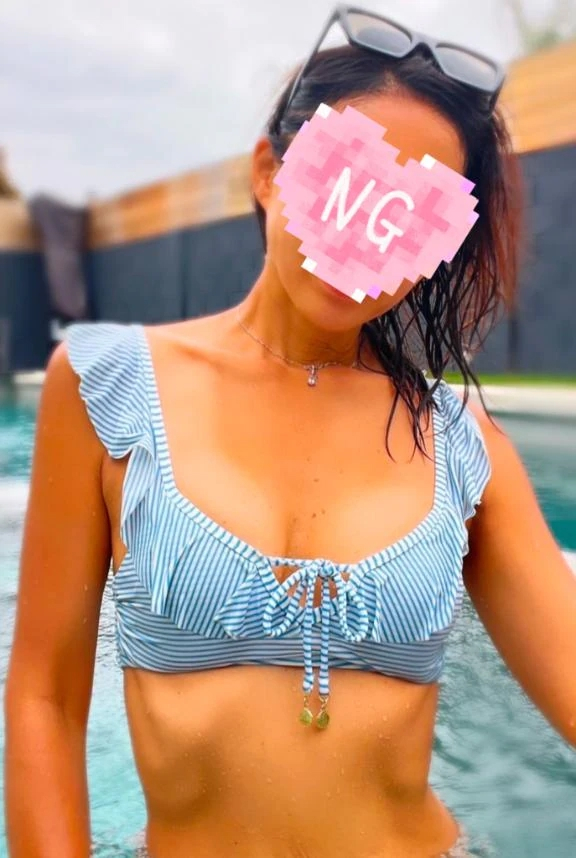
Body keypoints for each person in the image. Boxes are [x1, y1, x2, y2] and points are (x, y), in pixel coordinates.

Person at [5, 7, 576, 858]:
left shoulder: (461, 443)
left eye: (408, 217)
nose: (364, 235)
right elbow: (45, 697)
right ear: (271, 171)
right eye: (346, 188)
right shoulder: (105, 386)